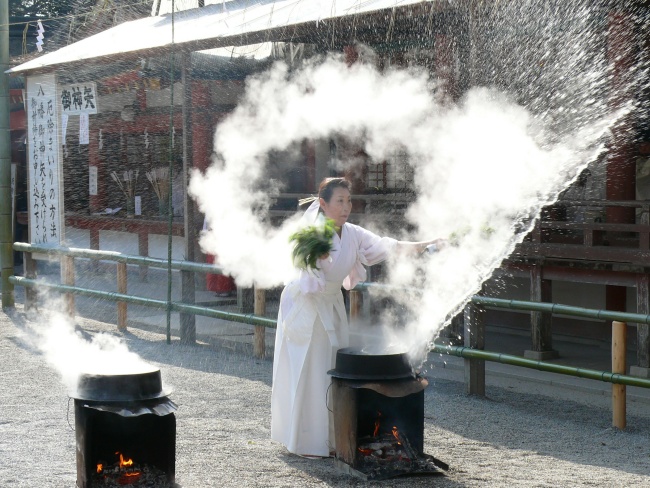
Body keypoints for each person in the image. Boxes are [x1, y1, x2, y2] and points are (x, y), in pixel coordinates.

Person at [270, 177, 446, 458]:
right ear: (323, 204)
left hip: (330, 303)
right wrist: (317, 256)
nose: (346, 207)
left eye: (349, 200)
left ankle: (332, 436)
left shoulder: (351, 233)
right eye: (339, 201)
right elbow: (301, 266)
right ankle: (304, 441)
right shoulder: (312, 231)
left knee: (334, 367)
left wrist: (427, 243)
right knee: (312, 369)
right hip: (307, 305)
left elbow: (389, 245)